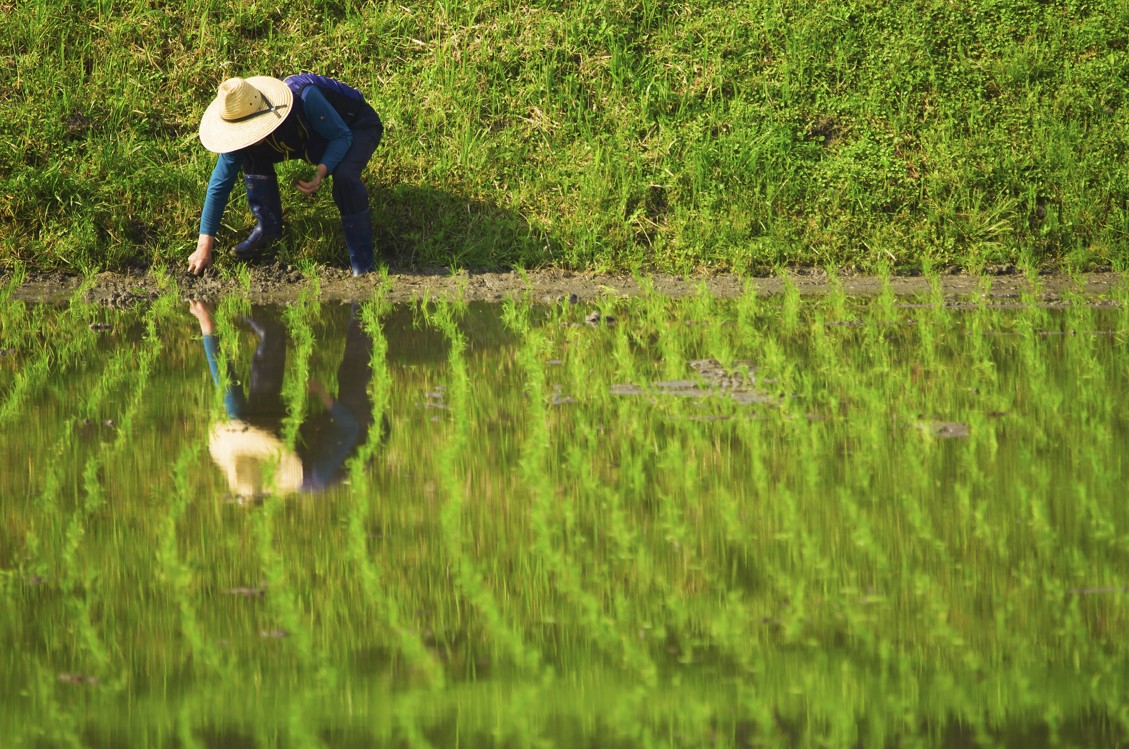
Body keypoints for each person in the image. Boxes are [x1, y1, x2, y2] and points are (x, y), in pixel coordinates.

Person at [187, 74, 383, 277]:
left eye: (250, 130)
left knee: (344, 176)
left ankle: (363, 263)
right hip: (309, 137)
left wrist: (320, 172)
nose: (247, 136)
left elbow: (342, 136)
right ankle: (268, 228)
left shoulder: (305, 98)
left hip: (353, 126)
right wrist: (203, 247)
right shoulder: (241, 121)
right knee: (250, 153)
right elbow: (219, 185)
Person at [188, 300, 382, 500]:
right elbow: (349, 427)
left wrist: (207, 324)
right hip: (358, 433)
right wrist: (325, 396)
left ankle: (232, 300)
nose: (255, 436)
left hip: (296, 430)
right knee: (350, 380)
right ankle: (365, 302)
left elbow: (224, 378)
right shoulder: (315, 473)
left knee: (273, 336)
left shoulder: (243, 422)